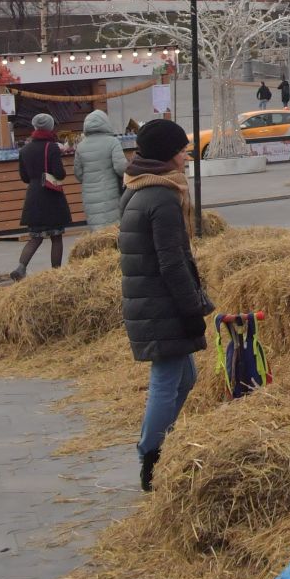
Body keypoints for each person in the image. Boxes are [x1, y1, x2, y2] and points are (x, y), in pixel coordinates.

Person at [119, 118, 213, 492]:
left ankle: (159, 444)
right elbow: (172, 261)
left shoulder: (138, 187)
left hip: (150, 300)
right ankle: (152, 453)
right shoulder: (161, 196)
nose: (187, 155)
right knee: (167, 378)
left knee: (186, 377)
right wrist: (192, 310)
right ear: (167, 155)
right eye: (182, 149)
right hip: (161, 304)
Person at [11, 113, 73, 279]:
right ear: (50, 127)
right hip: (51, 195)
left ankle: (20, 268)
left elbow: (24, 177)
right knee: (56, 236)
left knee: (35, 237)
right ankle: (56, 272)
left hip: (33, 196)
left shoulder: (24, 149)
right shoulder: (52, 147)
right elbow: (59, 173)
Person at [72, 109, 129, 231]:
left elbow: (78, 174)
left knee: (96, 230)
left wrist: (89, 180)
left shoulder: (81, 146)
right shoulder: (113, 142)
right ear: (105, 123)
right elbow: (120, 168)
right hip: (110, 191)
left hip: (89, 194)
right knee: (112, 229)